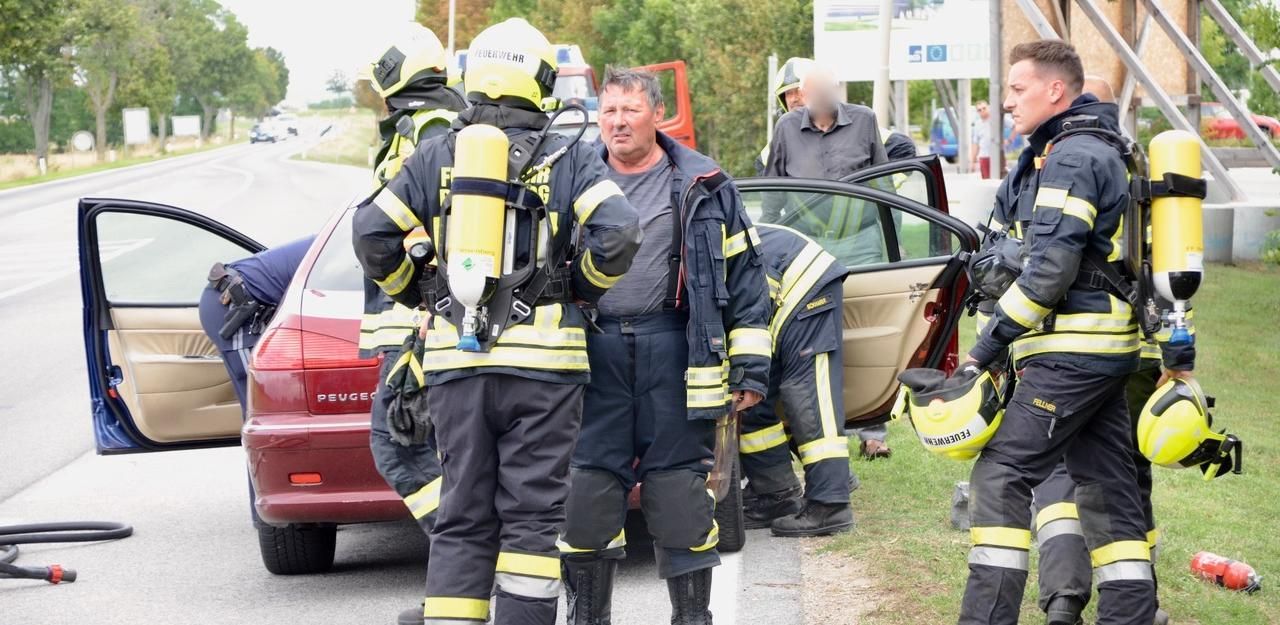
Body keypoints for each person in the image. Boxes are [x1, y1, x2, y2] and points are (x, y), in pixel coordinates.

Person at [352, 18, 641, 625]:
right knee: (532, 519)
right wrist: (577, 288)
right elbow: (619, 234)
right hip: (546, 375)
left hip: (458, 361)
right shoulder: (571, 156)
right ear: (540, 81)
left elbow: (371, 232)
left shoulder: (435, 155)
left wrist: (424, 294)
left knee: (462, 513)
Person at [558, 67, 771, 625]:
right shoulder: (569, 180)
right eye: (608, 111)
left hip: (675, 352)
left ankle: (692, 617)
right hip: (590, 352)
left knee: (679, 495)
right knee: (586, 493)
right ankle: (587, 616)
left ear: (656, 115)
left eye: (630, 110)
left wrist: (749, 368)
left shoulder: (706, 184)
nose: (618, 122)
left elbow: (748, 277)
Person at [957, 39, 1157, 625]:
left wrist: (985, 347)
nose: (1008, 103)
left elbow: (1051, 269)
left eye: (1018, 90)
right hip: (1106, 351)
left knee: (1002, 473)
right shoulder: (1090, 148)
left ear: (1055, 90)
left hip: (1071, 352)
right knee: (1111, 489)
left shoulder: (1070, 157)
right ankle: (1129, 615)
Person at [1020, 74, 1191, 625]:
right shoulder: (1137, 168)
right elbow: (1165, 277)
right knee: (1127, 481)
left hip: (1078, 347)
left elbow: (1044, 257)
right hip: (1141, 353)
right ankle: (1145, 602)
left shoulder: (1063, 163)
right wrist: (1177, 360)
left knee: (1061, 480)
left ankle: (1065, 599)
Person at [357, 23, 470, 625]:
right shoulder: (440, 121)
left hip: (421, 325)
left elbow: (424, 230)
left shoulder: (424, 130)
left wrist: (425, 307)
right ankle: (462, 588)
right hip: (428, 321)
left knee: (398, 450)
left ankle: (466, 574)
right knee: (448, 458)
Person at [762, 65, 892, 459]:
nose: (806, 100)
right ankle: (800, 426)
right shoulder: (785, 130)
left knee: (864, 331)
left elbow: (884, 184)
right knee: (807, 339)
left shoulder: (865, 120)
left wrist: (892, 242)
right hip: (808, 249)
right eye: (799, 94)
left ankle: (872, 430)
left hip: (861, 244)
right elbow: (773, 193)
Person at [736, 223, 855, 536]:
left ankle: (830, 504)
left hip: (803, 284)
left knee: (806, 394)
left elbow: (749, 308)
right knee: (749, 396)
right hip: (768, 304)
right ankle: (776, 495)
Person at [199, 236, 315, 413]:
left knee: (266, 409)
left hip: (247, 300)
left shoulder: (342, 241)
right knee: (267, 408)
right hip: (236, 308)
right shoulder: (340, 250)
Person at [755, 57, 817, 174]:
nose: (794, 99)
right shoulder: (768, 155)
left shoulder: (849, 133)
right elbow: (770, 191)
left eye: (799, 91)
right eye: (788, 93)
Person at [970, 100, 993, 179]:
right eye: (979, 110)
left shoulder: (996, 120)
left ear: (988, 108)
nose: (982, 111)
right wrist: (972, 162)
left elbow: (1013, 126)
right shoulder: (977, 124)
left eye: (984, 108)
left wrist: (1009, 140)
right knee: (986, 180)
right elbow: (975, 144)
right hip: (984, 157)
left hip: (996, 156)